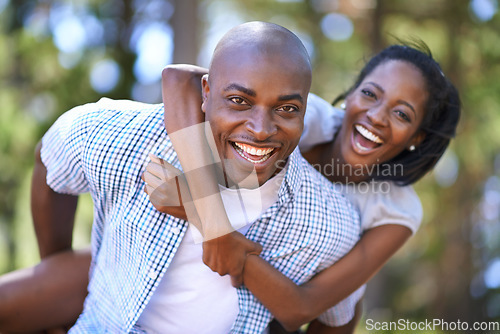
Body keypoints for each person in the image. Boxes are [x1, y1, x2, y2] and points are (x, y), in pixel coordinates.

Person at [0, 21, 363, 333]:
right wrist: (57, 264)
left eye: (286, 108)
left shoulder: (329, 223)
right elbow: (50, 160)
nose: (260, 128)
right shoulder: (128, 138)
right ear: (206, 92)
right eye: (239, 100)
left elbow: (337, 315)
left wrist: (205, 217)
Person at [148, 41, 460, 333]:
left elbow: (302, 307)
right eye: (369, 94)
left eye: (402, 113)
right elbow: (179, 79)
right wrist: (210, 211)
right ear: (350, 94)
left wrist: (207, 221)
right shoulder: (301, 117)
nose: (377, 116)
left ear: (417, 137)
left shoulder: (396, 209)